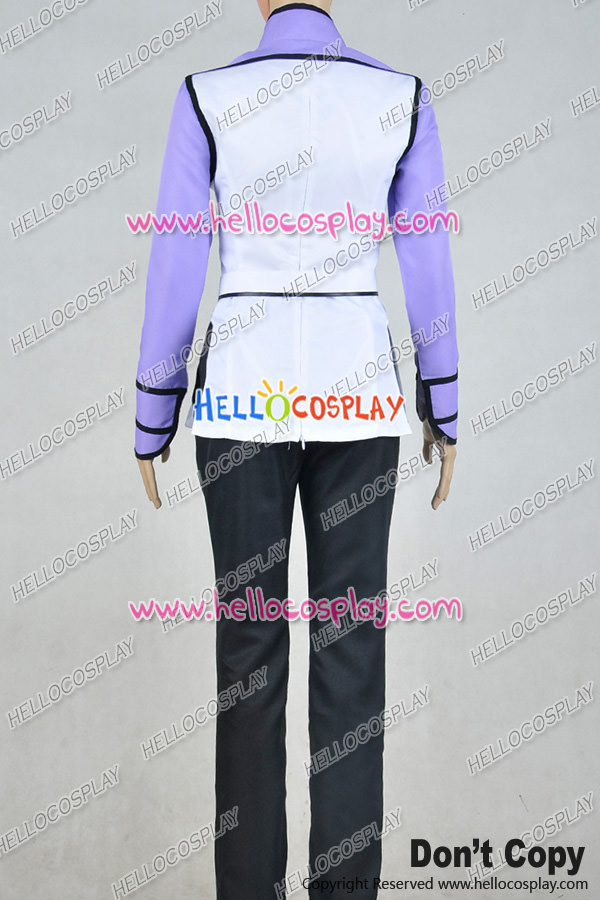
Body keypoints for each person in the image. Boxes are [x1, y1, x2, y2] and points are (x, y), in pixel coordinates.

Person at [134, 2, 458, 897]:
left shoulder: (206, 96)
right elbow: (427, 256)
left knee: (248, 660)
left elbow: (176, 263)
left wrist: (153, 413)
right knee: (351, 654)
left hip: (245, 393)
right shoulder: (401, 97)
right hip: (359, 394)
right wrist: (444, 403)